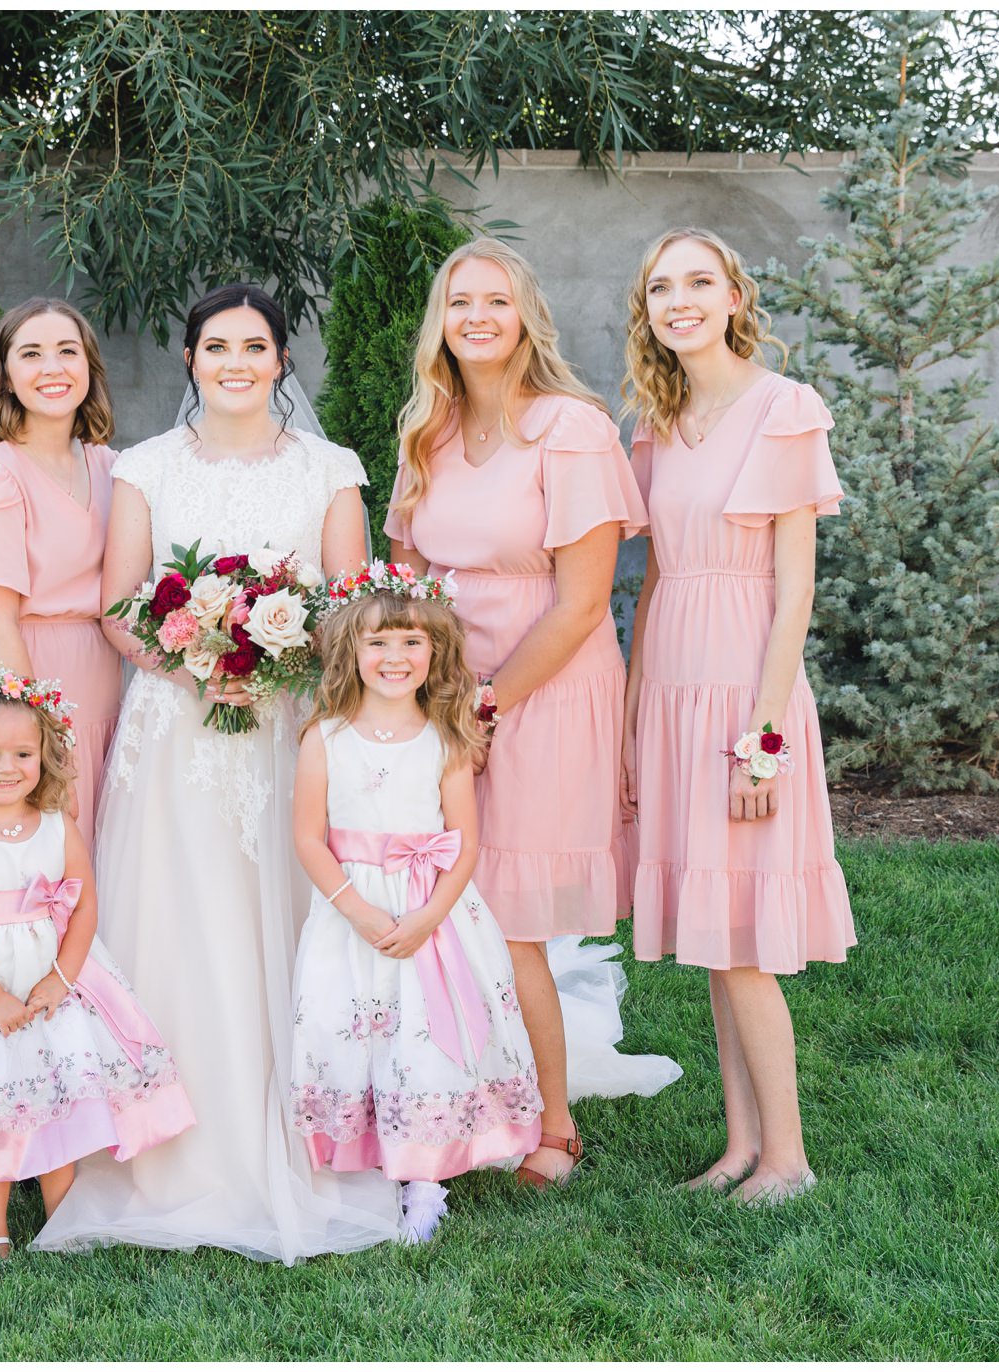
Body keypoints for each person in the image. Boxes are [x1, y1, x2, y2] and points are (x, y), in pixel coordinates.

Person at [31, 284, 401, 1262]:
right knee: (180, 920)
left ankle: (294, 1135)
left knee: (276, 913)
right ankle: (168, 1150)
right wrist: (202, 657)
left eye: (253, 346)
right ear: (189, 360)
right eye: (214, 346)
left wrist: (268, 659)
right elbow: (116, 608)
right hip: (174, 734)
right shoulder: (146, 469)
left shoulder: (329, 469)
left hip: (282, 729)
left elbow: (347, 607)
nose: (234, 362)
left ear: (280, 361)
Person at [385, 239, 664, 1189]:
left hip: (544, 686)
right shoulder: (426, 429)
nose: (477, 317)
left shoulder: (573, 430)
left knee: (510, 916)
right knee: (439, 900)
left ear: (525, 316)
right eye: (459, 301)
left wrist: (490, 705)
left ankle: (553, 1124)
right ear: (441, 321)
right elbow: (408, 578)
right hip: (441, 691)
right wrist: (414, 693)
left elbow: (585, 602)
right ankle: (454, 1098)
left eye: (495, 301)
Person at [619, 227, 857, 1206]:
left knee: (747, 943)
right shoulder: (656, 421)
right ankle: (736, 1148)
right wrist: (633, 717)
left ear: (731, 297)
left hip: (744, 697)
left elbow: (792, 592)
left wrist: (761, 747)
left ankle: (788, 1159)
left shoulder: (784, 408)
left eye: (696, 282)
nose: (679, 300)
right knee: (712, 936)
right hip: (670, 683)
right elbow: (652, 581)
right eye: (660, 286)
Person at [0, 670, 194, 1258]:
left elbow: (84, 904)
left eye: (23, 753)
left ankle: (61, 1217)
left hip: (54, 985)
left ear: (45, 758)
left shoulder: (57, 827)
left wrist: (61, 979)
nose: (7, 767)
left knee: (58, 1099)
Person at [286, 569, 545, 1242]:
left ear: (435, 654)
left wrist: (428, 916)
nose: (395, 658)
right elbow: (309, 840)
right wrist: (359, 910)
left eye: (410, 642)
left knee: (423, 1035)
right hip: (353, 914)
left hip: (433, 911)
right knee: (356, 1029)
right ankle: (369, 1153)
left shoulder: (446, 737)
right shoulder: (326, 739)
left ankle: (427, 1178)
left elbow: (464, 844)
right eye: (378, 643)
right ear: (350, 653)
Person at [0, 299, 123, 839]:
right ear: (6, 374)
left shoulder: (108, 465)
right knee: (25, 841)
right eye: (31, 353)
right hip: (15, 668)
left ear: (89, 367)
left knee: (95, 847)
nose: (53, 368)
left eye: (67, 351)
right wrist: (35, 731)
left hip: (97, 672)